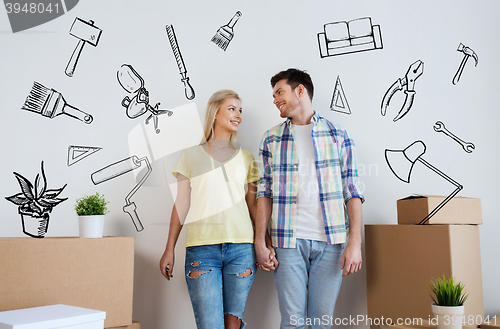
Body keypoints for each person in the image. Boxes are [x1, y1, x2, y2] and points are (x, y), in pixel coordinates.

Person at [254, 69, 365, 329]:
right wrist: (260, 240)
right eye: (273, 95)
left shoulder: (338, 134)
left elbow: (353, 190)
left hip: (332, 242)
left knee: (321, 323)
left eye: (279, 92)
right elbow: (264, 191)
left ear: (300, 90)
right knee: (292, 323)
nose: (274, 100)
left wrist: (355, 243)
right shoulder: (270, 138)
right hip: (287, 242)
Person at [160, 90, 272, 329]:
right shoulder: (190, 155)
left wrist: (265, 243)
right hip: (201, 251)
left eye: (240, 110)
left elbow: (254, 205)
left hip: (241, 249)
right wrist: (169, 248)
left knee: (232, 326)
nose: (238, 115)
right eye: (232, 108)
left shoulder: (247, 158)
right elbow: (181, 203)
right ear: (215, 113)